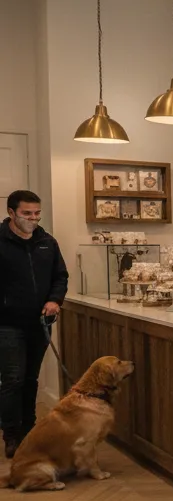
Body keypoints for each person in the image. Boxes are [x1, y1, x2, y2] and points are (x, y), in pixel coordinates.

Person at [0, 190, 69, 458]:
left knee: (30, 379)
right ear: (11, 213)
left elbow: (60, 276)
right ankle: (11, 435)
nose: (33, 218)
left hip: (40, 322)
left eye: (37, 213)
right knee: (12, 380)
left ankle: (30, 431)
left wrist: (55, 300)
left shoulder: (47, 242)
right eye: (27, 213)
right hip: (7, 324)